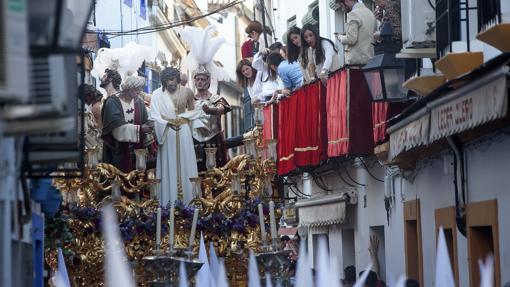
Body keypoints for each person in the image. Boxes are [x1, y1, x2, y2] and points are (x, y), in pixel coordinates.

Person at [149, 67, 198, 205]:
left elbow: (193, 113)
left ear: (177, 78)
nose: (171, 83)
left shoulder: (187, 92)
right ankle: (167, 203)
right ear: (163, 81)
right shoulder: (157, 94)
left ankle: (189, 201)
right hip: (166, 132)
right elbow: (154, 115)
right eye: (167, 80)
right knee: (168, 164)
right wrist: (165, 124)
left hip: (184, 131)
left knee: (186, 161)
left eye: (173, 79)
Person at [101, 75, 153, 172]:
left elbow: (145, 123)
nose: (139, 91)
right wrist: (140, 129)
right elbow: (117, 129)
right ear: (128, 88)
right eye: (136, 89)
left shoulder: (139, 102)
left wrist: (151, 148)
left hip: (137, 152)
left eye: (140, 89)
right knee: (118, 180)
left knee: (137, 180)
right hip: (117, 151)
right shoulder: (112, 102)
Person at [192, 67, 232, 171]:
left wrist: (211, 110)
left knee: (216, 171)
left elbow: (222, 108)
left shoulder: (215, 98)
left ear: (208, 81)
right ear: (194, 81)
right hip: (194, 140)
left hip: (213, 139)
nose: (200, 82)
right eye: (198, 79)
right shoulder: (190, 100)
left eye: (203, 79)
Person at [335, 0, 377, 65]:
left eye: (341, 6)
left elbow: (351, 39)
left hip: (356, 61)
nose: (343, 9)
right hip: (370, 60)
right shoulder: (370, 13)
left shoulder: (352, 14)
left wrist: (340, 37)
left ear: (346, 1)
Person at [236, 59, 258, 130]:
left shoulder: (259, 77)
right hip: (255, 115)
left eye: (247, 69)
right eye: (243, 71)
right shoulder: (246, 85)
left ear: (251, 67)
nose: (246, 72)